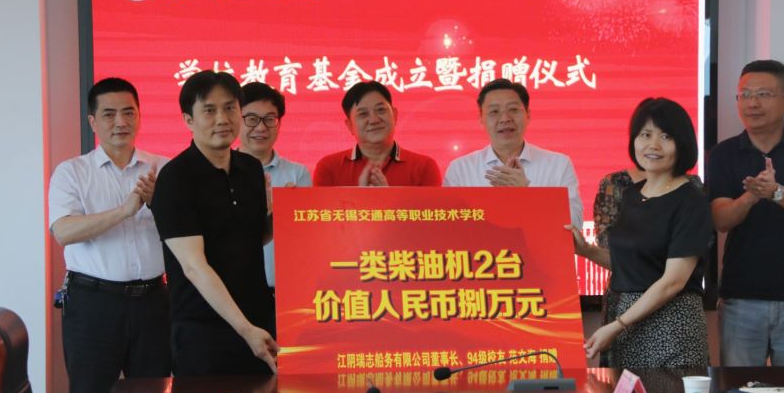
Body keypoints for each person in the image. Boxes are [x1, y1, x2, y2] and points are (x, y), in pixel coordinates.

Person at [48, 77, 170, 393]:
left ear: (140, 116)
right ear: (93, 121)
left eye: (129, 112)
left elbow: (187, 233)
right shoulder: (72, 172)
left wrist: (159, 204)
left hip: (153, 302)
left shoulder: (163, 169)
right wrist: (125, 210)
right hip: (93, 304)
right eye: (109, 114)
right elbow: (64, 231)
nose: (121, 122)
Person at [151, 70, 279, 376]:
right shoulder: (175, 178)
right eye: (209, 110)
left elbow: (253, 238)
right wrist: (244, 329)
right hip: (203, 332)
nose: (222, 119)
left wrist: (280, 214)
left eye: (230, 107)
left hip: (259, 324)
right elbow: (194, 266)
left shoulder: (251, 168)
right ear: (189, 120)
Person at [568, 97, 711, 368]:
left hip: (672, 325)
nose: (653, 145)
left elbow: (673, 281)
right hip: (628, 322)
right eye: (645, 135)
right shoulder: (632, 195)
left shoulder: (690, 199)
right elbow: (632, 264)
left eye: (665, 136)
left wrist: (617, 325)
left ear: (682, 144)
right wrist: (585, 250)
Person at [708, 59, 784, 372]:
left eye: (763, 94)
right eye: (744, 95)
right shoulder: (724, 153)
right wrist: (752, 196)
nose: (752, 103)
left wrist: (776, 192)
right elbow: (721, 220)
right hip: (740, 300)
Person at [444, 78, 584, 228]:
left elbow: (574, 224)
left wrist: (526, 196)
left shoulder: (558, 165)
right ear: (481, 119)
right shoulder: (460, 169)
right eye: (494, 112)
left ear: (528, 115)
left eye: (513, 109)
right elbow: (447, 225)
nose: (505, 119)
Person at [239, 82, 311, 291]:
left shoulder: (297, 174)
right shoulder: (219, 172)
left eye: (270, 119)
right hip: (234, 292)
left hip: (285, 290)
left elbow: (306, 237)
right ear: (236, 120)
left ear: (279, 124)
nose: (261, 128)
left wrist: (290, 213)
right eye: (252, 119)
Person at [313, 81, 441, 186]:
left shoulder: (424, 167)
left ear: (395, 115)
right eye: (363, 114)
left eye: (380, 110)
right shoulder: (328, 168)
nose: (374, 120)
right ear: (350, 125)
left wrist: (386, 198)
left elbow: (433, 210)